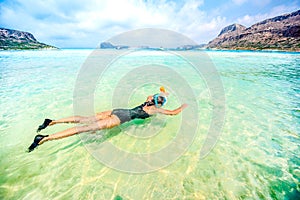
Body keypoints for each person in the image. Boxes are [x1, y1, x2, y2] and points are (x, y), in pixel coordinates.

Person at [28, 87, 188, 152]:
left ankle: (52, 122)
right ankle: (45, 139)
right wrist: (184, 106)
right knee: (83, 129)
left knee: (84, 119)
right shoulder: (155, 109)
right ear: (160, 103)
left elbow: (158, 95)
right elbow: (173, 113)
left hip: (118, 110)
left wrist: (164, 93)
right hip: (118, 119)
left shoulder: (148, 99)